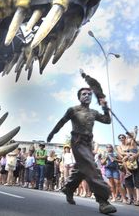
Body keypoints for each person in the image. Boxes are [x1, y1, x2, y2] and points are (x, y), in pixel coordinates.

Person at [46, 71, 116, 214]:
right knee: (91, 167)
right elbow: (61, 122)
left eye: (89, 94)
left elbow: (108, 121)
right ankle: (103, 201)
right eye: (83, 94)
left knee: (82, 169)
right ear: (79, 97)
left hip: (88, 143)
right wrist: (52, 133)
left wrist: (104, 107)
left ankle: (69, 188)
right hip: (77, 142)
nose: (87, 96)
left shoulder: (94, 113)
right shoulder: (73, 110)